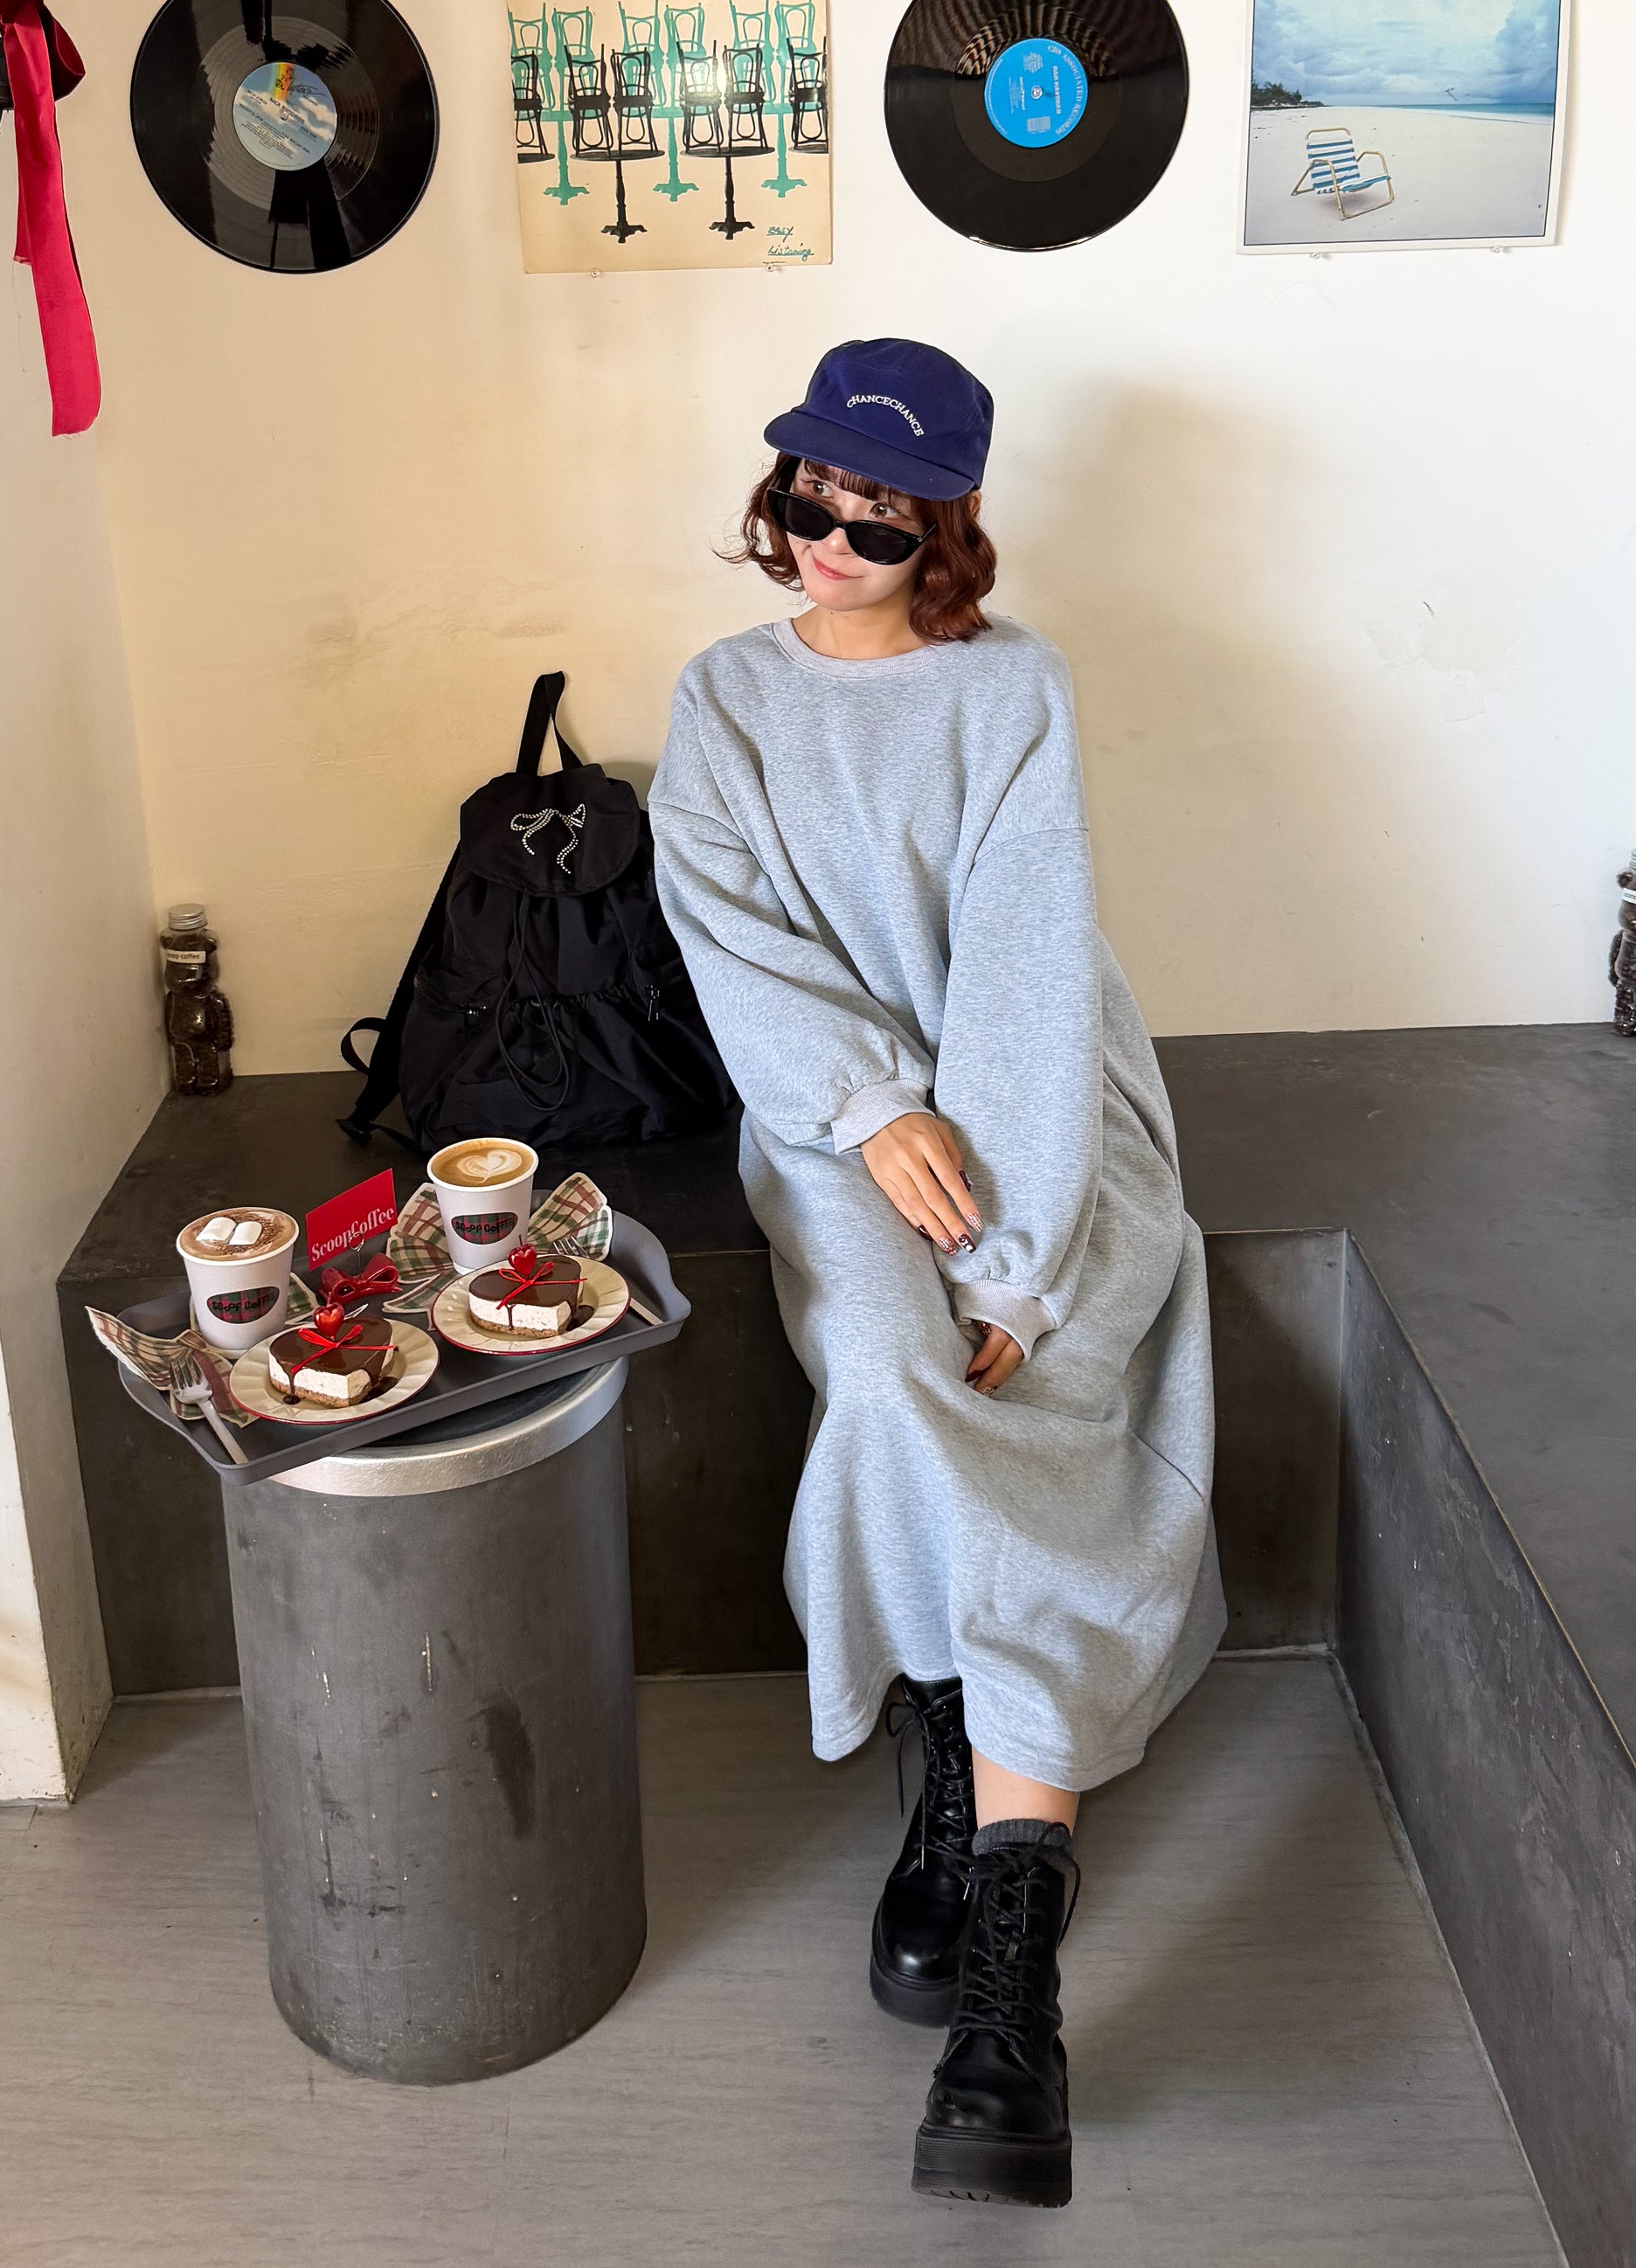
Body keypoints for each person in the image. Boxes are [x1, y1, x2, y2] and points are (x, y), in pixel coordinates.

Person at [648, 338, 1226, 2209]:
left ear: (946, 530)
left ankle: (1008, 1977)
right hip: (830, 1127)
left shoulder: (1013, 689)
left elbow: (1032, 967)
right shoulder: (724, 697)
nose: (831, 539)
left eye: (878, 518)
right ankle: (973, 1751)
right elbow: (727, 939)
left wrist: (1022, 1253)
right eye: (808, 496)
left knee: (1025, 1363)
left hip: (1039, 1114)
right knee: (895, 1376)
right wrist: (869, 1104)